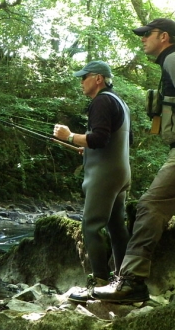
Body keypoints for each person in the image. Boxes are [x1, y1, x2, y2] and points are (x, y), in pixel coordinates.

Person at [92, 18, 175, 304]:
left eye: (146, 34)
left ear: (163, 37)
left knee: (150, 205)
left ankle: (130, 282)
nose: (142, 39)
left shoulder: (174, 59)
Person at [53, 60, 132, 303]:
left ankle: (98, 284)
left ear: (98, 78)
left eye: (84, 77)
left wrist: (70, 136)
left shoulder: (101, 101)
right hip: (121, 174)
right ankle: (125, 281)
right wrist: (86, 149)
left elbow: (98, 138)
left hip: (104, 176)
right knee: (117, 228)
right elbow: (114, 140)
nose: (81, 81)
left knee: (90, 226)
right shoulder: (119, 102)